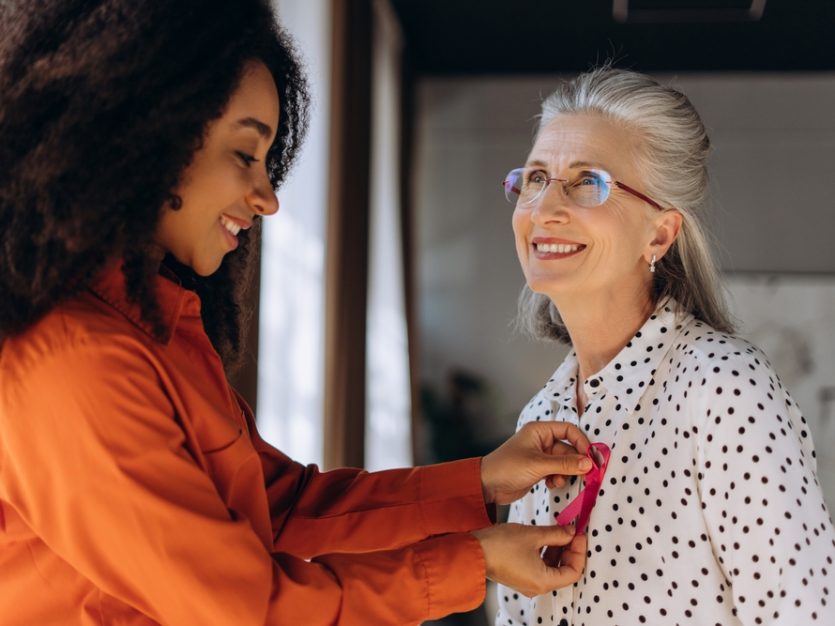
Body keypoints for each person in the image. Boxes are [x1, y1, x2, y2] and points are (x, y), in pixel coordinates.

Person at [0, 2, 593, 624]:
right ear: (148, 134)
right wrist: (473, 561)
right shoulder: (74, 361)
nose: (268, 198)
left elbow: (283, 504)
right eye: (244, 155)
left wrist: (481, 482)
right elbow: (247, 609)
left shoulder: (155, 330)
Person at [496, 67, 835, 626]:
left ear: (659, 234)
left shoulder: (722, 392)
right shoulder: (539, 418)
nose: (544, 209)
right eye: (535, 178)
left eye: (587, 182)